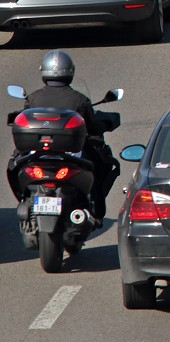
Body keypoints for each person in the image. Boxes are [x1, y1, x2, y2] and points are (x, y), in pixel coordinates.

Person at [9, 50, 119, 220]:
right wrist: (107, 123)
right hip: (71, 156)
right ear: (70, 72)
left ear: (43, 72)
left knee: (13, 163)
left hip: (37, 155)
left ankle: (24, 197)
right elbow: (93, 127)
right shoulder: (80, 99)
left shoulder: (33, 98)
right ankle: (96, 208)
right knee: (102, 163)